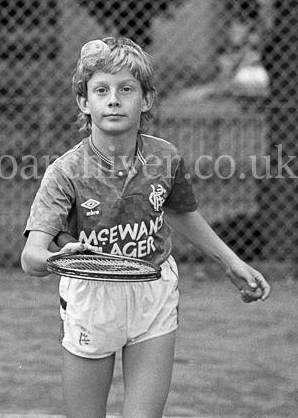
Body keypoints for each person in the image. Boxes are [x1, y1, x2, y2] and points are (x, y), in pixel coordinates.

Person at [20, 36, 271, 418]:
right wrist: (58, 258)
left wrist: (230, 261)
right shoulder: (65, 172)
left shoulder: (164, 157)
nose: (114, 99)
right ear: (84, 103)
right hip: (92, 296)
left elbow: (179, 211)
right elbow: (31, 257)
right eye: (101, 90)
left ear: (147, 99)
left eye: (127, 89)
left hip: (153, 289)